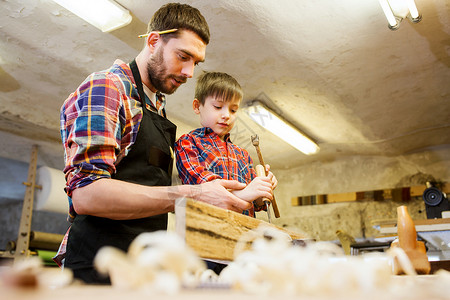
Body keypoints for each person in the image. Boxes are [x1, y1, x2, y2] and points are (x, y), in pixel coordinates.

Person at [57, 3, 252, 284]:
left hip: (142, 267)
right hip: (97, 267)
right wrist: (191, 195)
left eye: (195, 63)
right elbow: (87, 194)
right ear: (153, 41)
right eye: (183, 56)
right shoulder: (108, 88)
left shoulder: (156, 105)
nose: (189, 72)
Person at [174, 71, 278, 273]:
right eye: (218, 107)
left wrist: (262, 191)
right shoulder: (188, 143)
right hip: (205, 246)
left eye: (233, 110)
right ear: (198, 106)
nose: (226, 115)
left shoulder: (243, 155)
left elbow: (254, 205)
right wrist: (247, 192)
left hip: (241, 246)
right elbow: (205, 189)